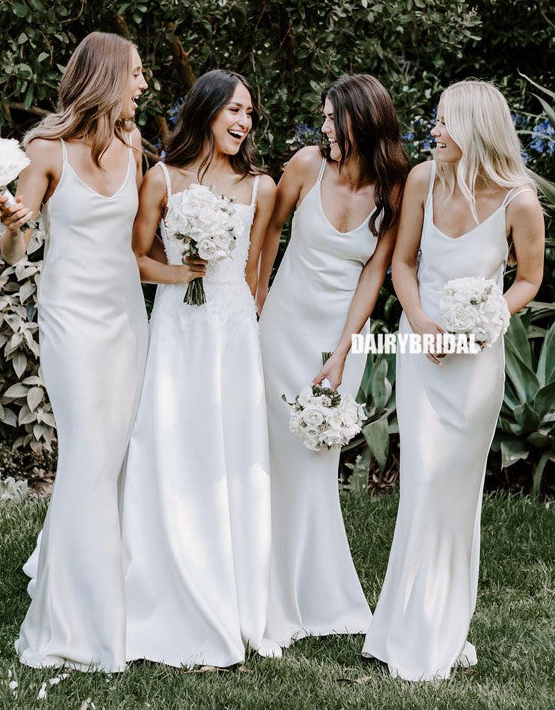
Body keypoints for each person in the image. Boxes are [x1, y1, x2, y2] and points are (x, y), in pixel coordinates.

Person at [0, 31, 189, 672]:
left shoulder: (132, 144)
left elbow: (138, 242)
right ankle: (77, 623)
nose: (144, 84)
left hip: (124, 318)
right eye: (135, 73)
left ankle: (91, 582)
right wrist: (12, 227)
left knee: (111, 458)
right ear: (107, 77)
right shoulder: (46, 150)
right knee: (87, 456)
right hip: (71, 320)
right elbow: (14, 252)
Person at [362, 80, 545, 681]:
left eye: (444, 121)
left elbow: (528, 279)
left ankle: (440, 627)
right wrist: (419, 320)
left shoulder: (520, 201)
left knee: (453, 491)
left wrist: (489, 317)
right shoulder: (423, 180)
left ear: (474, 128)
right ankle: (403, 627)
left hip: (475, 367)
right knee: (422, 484)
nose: (434, 130)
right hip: (423, 356)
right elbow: (403, 263)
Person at [121, 69, 278, 667]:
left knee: (231, 455)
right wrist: (179, 273)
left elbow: (254, 268)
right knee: (174, 445)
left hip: (232, 333)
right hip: (179, 331)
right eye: (234, 109)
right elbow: (136, 257)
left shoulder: (261, 187)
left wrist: (244, 318)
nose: (244, 122)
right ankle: (166, 581)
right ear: (207, 110)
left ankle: (235, 595)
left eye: (250, 113)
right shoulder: (161, 178)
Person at [256, 74, 408, 648]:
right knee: (273, 454)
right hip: (283, 328)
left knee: (315, 461)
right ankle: (261, 582)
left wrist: (345, 349)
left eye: (331, 119)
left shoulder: (393, 190)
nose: (323, 128)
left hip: (341, 341)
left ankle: (313, 591)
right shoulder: (305, 166)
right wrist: (255, 298)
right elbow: (269, 231)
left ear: (361, 123)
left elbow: (374, 273)